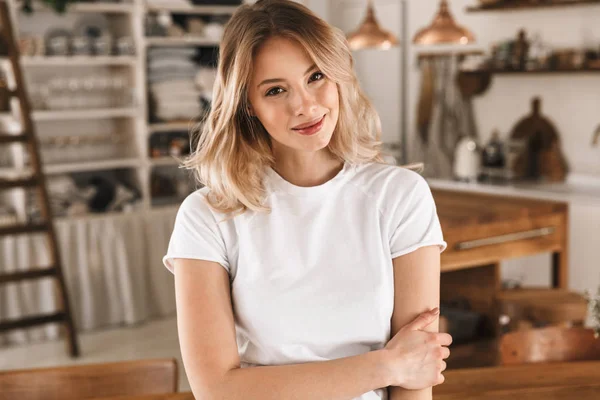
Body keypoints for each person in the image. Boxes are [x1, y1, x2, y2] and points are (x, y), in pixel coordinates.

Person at [163, 1, 450, 399]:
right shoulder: (207, 217)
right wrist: (386, 365)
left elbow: (415, 377)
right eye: (276, 90)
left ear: (338, 75)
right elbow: (217, 390)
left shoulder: (400, 196)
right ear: (248, 104)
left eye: (316, 76)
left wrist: (402, 367)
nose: (305, 105)